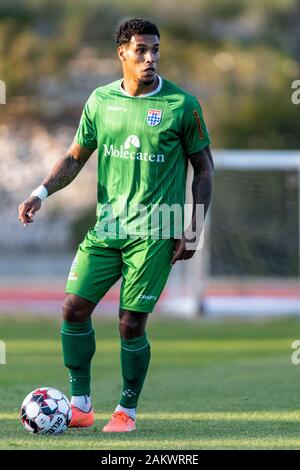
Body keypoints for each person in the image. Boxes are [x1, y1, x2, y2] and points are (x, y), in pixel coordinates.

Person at [18, 18, 214, 433]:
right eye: (141, 50)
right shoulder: (100, 100)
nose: (150, 58)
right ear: (121, 53)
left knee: (130, 322)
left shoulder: (182, 106)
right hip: (107, 229)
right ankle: (81, 405)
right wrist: (40, 191)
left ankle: (126, 410)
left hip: (155, 231)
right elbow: (75, 157)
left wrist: (192, 227)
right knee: (73, 309)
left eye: (155, 50)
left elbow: (205, 169)